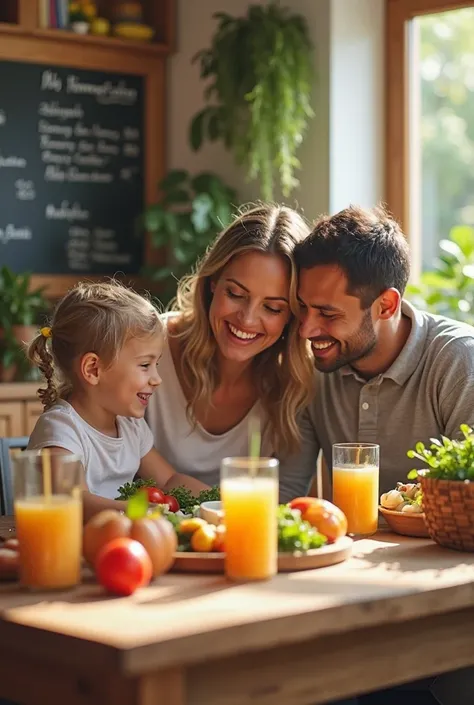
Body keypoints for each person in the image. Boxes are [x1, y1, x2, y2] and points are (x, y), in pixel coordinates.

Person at [285, 204, 474, 705]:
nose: (306, 329)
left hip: (447, 615)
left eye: (328, 313)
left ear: (386, 305)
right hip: (349, 608)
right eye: (303, 307)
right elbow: (286, 497)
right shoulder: (317, 369)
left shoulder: (457, 362)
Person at [146, 203, 315, 500]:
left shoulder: (295, 383)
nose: (247, 320)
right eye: (235, 294)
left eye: (272, 308)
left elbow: (284, 502)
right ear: (213, 283)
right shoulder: (148, 346)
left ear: (293, 315)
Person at [27, 281, 208, 521]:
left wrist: (222, 501)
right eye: (145, 365)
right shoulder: (62, 430)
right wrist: (139, 511)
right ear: (93, 369)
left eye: (157, 364)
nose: (157, 379)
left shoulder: (129, 427)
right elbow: (73, 501)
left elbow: (170, 481)